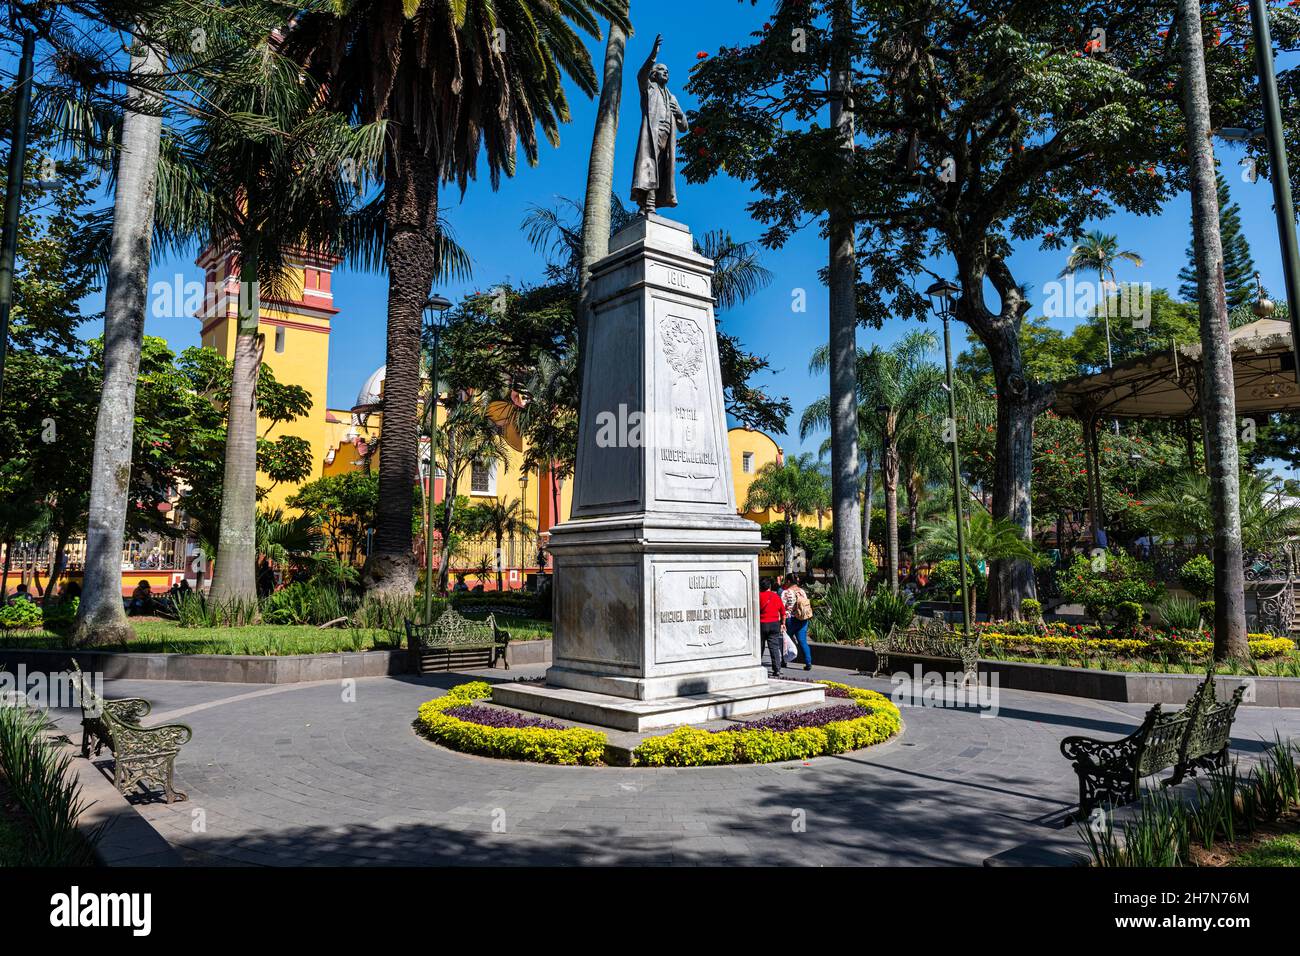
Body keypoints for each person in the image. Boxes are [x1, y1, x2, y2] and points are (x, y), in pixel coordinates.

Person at [782, 573, 814, 671]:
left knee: (785, 641)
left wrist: (782, 622)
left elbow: (782, 607)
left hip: (790, 620)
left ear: (788, 581)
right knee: (803, 641)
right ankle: (808, 662)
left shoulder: (786, 592)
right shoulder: (802, 591)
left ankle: (783, 661)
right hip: (802, 619)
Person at [758, 578, 786, 679]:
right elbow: (783, 612)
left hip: (761, 624)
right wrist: (783, 623)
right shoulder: (776, 596)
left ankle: (757, 666)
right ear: (769, 586)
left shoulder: (758, 596)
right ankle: (777, 669)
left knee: (759, 647)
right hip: (775, 624)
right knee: (774, 647)